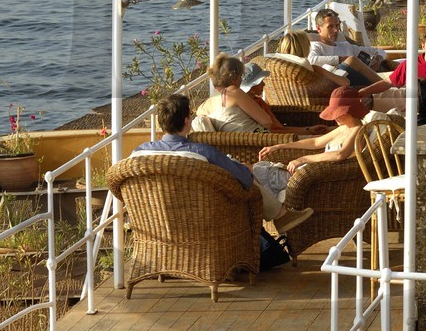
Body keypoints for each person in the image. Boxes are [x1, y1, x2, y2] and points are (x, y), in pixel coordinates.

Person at [133, 95, 313, 234]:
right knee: (245, 174)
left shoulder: (140, 153)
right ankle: (281, 216)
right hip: (204, 216)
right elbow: (245, 178)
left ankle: (281, 215)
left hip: (156, 220)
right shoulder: (202, 152)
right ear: (187, 122)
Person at [251, 86, 366, 205]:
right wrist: (280, 146)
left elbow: (340, 154)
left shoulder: (358, 130)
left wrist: (303, 159)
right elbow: (315, 142)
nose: (334, 117)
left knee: (250, 173)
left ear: (349, 111)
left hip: (315, 180)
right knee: (250, 171)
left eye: (338, 113)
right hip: (306, 174)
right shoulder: (344, 128)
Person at [194, 54, 296, 134]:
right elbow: (267, 122)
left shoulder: (206, 105)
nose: (241, 80)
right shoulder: (233, 92)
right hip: (258, 140)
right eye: (240, 76)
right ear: (233, 77)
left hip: (233, 146)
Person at [307, 7, 390, 87]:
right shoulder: (316, 46)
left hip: (357, 81)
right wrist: (341, 59)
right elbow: (311, 60)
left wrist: (378, 59)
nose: (336, 30)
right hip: (336, 82)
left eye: (337, 25)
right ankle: (387, 86)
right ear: (318, 28)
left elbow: (378, 50)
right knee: (352, 60)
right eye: (330, 26)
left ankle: (389, 84)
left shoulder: (345, 45)